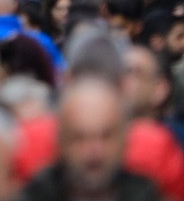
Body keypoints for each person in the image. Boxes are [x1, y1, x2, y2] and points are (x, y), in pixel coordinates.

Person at [18, 77, 158, 201]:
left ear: (124, 140)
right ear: (60, 141)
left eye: (106, 136)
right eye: (80, 138)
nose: (94, 150)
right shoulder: (33, 194)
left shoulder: (147, 194)